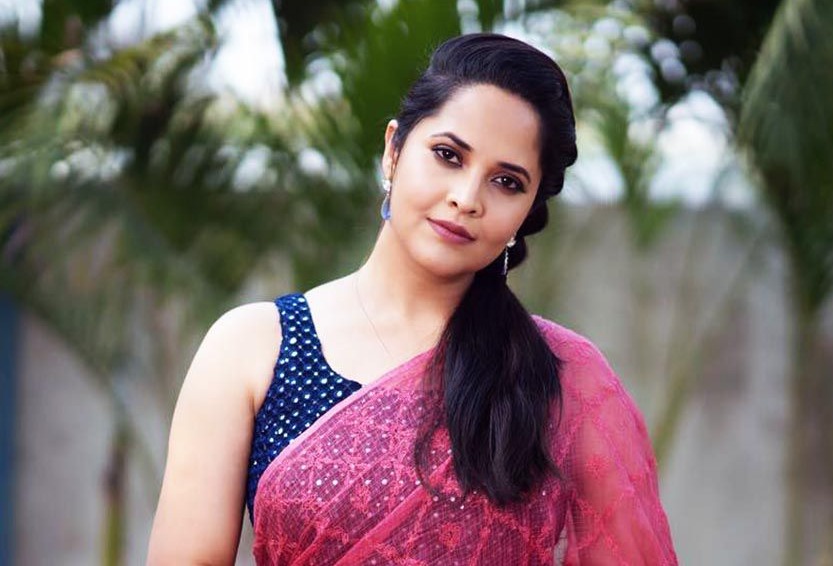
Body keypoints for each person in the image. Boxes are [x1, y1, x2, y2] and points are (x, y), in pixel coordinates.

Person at [147, 32, 678, 565]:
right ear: (393, 151)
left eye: (507, 182)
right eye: (448, 155)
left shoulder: (560, 377)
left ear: (528, 209)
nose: (466, 198)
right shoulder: (254, 348)